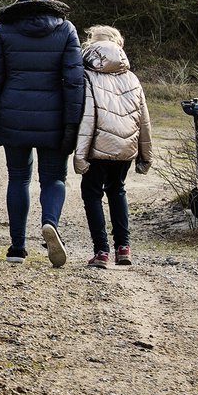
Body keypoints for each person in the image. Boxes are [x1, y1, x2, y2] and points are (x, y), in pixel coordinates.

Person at [0, 0, 84, 267]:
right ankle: (50, 223)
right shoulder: (66, 29)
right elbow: (74, 82)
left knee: (18, 178)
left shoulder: (5, 28)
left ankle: (16, 247)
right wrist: (72, 124)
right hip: (53, 117)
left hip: (13, 114)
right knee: (53, 178)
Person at [73, 25, 153, 268]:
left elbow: (87, 117)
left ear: (92, 46)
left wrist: (80, 154)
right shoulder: (132, 77)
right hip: (126, 146)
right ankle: (123, 248)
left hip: (98, 145)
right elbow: (144, 118)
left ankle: (101, 251)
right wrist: (145, 155)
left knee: (92, 192)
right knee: (117, 189)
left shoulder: (86, 75)